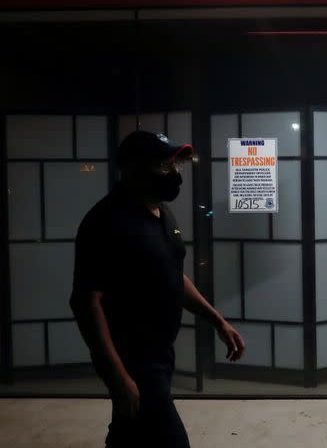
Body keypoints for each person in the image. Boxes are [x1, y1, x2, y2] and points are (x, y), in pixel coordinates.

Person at [70, 130, 246, 448]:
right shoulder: (105, 222)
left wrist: (217, 320)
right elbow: (86, 302)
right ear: (132, 169)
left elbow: (173, 275)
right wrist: (118, 377)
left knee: (129, 434)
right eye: (164, 166)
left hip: (161, 352)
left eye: (175, 165)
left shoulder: (163, 213)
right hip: (132, 359)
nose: (175, 174)